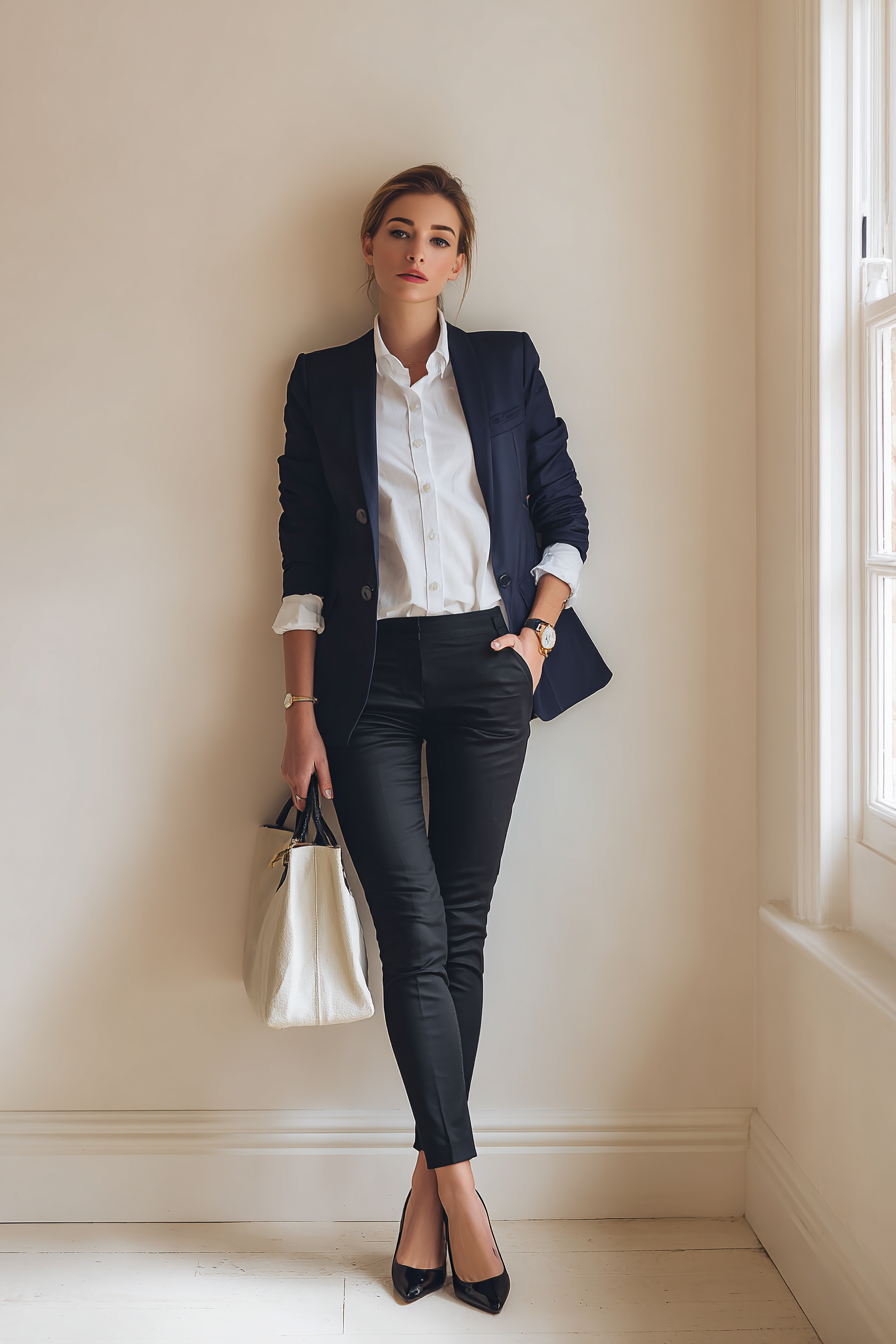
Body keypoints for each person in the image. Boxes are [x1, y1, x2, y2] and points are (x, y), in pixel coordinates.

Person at [273, 164, 611, 1314]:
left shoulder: (505, 365)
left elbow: (564, 516)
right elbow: (303, 562)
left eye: (442, 237)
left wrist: (534, 637)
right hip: (367, 685)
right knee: (412, 929)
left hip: (484, 666)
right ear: (368, 246)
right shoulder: (320, 384)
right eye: (401, 232)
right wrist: (300, 713)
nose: (420, 251)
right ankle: (463, 1192)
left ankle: (424, 1187)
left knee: (459, 924)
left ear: (460, 260)